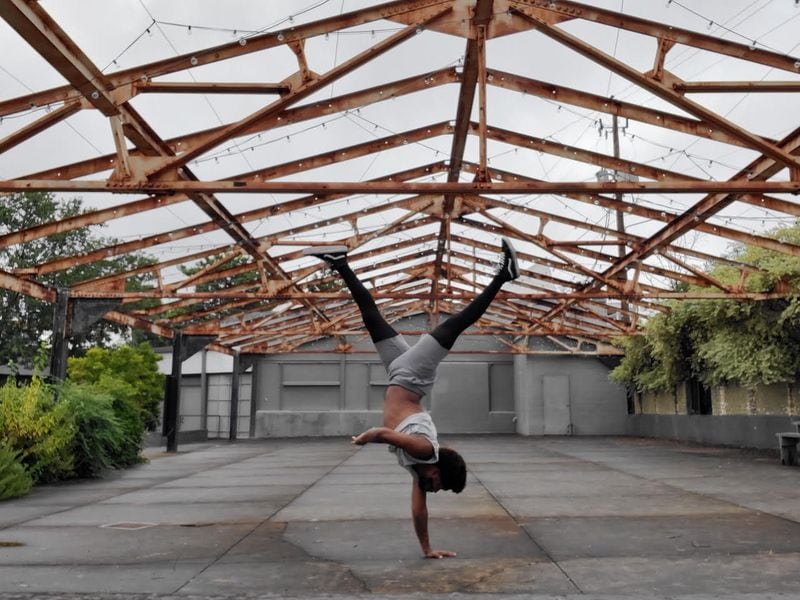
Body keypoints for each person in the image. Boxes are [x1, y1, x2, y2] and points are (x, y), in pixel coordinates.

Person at [303, 238, 520, 558]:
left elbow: (419, 514)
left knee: (370, 318)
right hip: (413, 376)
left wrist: (427, 549)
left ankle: (340, 263)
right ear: (436, 470)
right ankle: (505, 276)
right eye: (439, 485)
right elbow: (381, 434)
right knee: (455, 324)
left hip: (397, 372)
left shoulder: (419, 475)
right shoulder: (424, 450)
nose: (433, 490)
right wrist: (362, 439)